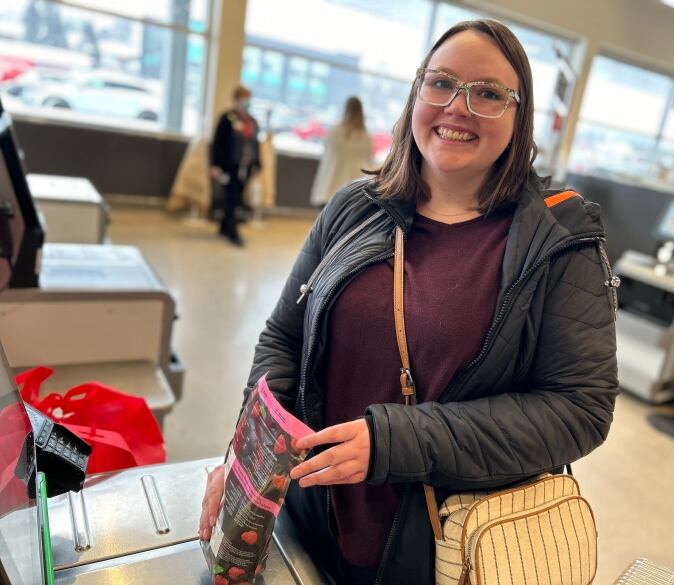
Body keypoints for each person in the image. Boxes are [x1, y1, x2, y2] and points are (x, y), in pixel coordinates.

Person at [200, 19, 618, 585]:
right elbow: (284, 337)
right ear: (416, 92)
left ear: (521, 118)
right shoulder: (355, 207)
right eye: (441, 83)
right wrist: (248, 458)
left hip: (439, 547)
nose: (459, 106)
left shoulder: (557, 240)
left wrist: (397, 439)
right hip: (308, 517)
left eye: (490, 93)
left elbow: (579, 409)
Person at [210, 85, 261, 246]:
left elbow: (255, 144)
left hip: (245, 166)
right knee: (231, 197)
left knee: (236, 196)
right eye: (243, 99)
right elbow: (218, 143)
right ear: (236, 100)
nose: (246, 103)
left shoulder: (251, 121)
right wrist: (216, 165)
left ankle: (224, 226)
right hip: (229, 166)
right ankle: (233, 232)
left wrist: (257, 163)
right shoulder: (227, 118)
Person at [309, 96, 374, 208]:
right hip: (353, 193)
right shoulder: (365, 137)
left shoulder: (334, 131)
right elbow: (368, 161)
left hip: (329, 189)